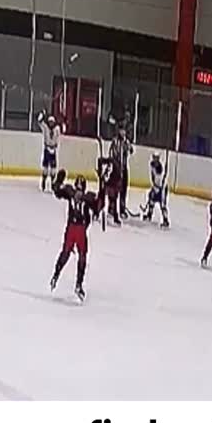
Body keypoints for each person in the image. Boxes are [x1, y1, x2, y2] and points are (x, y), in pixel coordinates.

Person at [50, 169, 103, 301]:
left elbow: (57, 191)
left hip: (74, 229)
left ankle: (58, 276)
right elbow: (98, 205)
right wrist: (102, 186)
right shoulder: (86, 197)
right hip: (78, 229)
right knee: (79, 255)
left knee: (68, 253)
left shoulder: (71, 193)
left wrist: (58, 181)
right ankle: (76, 283)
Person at [109, 124, 134, 217]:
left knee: (123, 190)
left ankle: (122, 209)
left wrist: (128, 146)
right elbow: (112, 153)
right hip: (116, 168)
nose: (123, 132)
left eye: (124, 130)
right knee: (114, 189)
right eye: (121, 130)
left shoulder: (126, 141)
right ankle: (112, 207)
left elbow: (131, 151)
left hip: (124, 168)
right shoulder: (115, 141)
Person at [142, 153, 169, 228]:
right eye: (154, 158)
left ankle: (165, 220)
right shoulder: (152, 165)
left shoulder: (159, 168)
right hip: (156, 186)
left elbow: (160, 179)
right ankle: (149, 215)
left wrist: (157, 188)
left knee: (162, 204)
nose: (155, 159)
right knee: (151, 200)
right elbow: (153, 178)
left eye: (156, 158)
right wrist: (154, 187)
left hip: (162, 188)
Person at [97, 153, 122, 226]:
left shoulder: (115, 165)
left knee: (110, 199)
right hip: (110, 184)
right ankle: (98, 213)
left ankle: (113, 216)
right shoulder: (113, 164)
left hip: (111, 184)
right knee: (104, 198)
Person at [38, 111, 61, 192]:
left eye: (52, 122)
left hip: (53, 149)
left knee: (53, 169)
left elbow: (58, 136)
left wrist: (55, 145)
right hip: (47, 149)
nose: (51, 124)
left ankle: (52, 184)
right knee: (45, 167)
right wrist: (42, 115)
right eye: (50, 122)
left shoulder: (57, 129)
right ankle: (43, 182)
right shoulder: (45, 128)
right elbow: (40, 122)